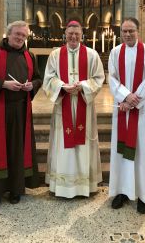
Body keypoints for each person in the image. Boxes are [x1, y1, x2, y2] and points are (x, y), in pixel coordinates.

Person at [0, 21, 42, 209]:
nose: (20, 38)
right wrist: (4, 84)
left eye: (24, 35)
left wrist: (32, 86)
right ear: (8, 34)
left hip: (21, 110)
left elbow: (38, 78)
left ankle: (15, 189)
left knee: (17, 149)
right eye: (17, 34)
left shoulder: (30, 56)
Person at [43, 20, 105, 198]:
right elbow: (48, 78)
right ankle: (62, 186)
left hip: (84, 105)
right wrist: (62, 86)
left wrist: (83, 86)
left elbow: (99, 78)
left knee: (83, 143)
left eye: (77, 34)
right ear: (65, 35)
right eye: (70, 34)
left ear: (81, 35)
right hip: (63, 105)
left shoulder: (92, 55)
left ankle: (85, 185)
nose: (73, 37)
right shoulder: (55, 55)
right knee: (64, 144)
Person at [108, 17, 145, 214]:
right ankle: (121, 191)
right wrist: (125, 97)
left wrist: (133, 99)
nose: (127, 34)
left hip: (142, 111)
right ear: (120, 33)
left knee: (143, 151)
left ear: (138, 31)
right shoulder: (115, 52)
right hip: (123, 110)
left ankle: (144, 195)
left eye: (131, 31)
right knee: (122, 152)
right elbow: (111, 78)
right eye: (124, 31)